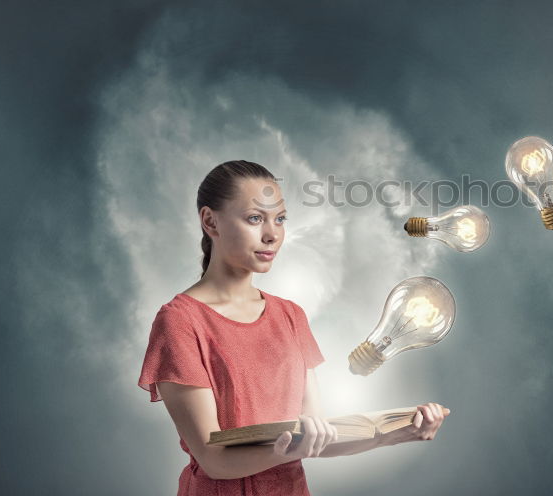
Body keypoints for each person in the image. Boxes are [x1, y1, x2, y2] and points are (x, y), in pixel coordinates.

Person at [137, 160, 449, 496]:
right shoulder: (180, 322)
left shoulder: (289, 316)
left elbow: (318, 436)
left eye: (280, 219)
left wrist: (399, 432)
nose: (272, 234)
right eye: (255, 218)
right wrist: (287, 449)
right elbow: (213, 458)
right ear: (211, 221)